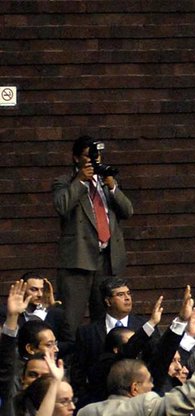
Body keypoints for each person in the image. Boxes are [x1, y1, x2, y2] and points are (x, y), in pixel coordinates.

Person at [52, 134, 135, 336]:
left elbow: (128, 211)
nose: (93, 161)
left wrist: (112, 186)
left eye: (97, 157)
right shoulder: (65, 182)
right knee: (70, 320)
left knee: (104, 319)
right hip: (78, 261)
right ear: (76, 158)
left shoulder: (106, 181)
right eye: (89, 157)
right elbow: (62, 206)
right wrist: (80, 181)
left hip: (106, 259)